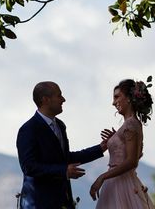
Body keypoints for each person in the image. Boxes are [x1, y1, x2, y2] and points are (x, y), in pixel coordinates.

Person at [17, 81, 113, 209]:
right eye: (59, 95)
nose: (63, 99)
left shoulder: (60, 125)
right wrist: (63, 171)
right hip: (39, 203)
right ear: (45, 100)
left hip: (63, 202)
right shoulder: (29, 129)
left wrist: (101, 148)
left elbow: (65, 158)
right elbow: (28, 166)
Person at [90, 79, 155, 208]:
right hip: (121, 182)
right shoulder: (130, 125)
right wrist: (116, 139)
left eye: (117, 97)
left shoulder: (130, 124)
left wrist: (102, 177)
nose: (113, 102)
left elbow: (132, 161)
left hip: (121, 184)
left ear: (129, 98)